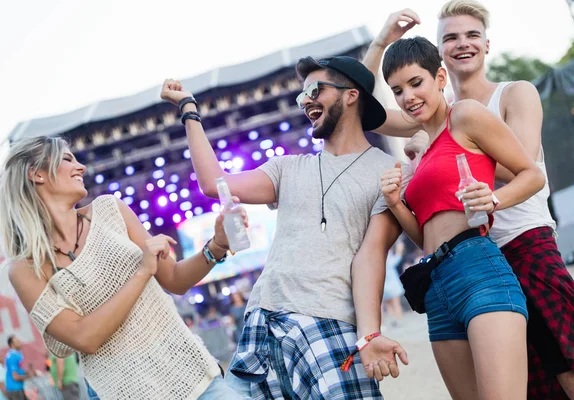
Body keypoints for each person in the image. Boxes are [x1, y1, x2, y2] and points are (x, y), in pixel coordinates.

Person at [364, 3, 574, 398]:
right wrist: (381, 43)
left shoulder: (509, 95)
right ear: (439, 52)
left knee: (570, 364)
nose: (462, 44)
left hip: (524, 241)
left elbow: (519, 162)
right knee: (528, 383)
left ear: (487, 44)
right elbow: (368, 112)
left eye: (471, 35)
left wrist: (447, 145)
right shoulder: (430, 112)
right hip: (465, 261)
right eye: (451, 37)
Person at [160, 55, 407, 399]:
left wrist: (368, 334)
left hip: (327, 322)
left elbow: (372, 255)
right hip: (261, 328)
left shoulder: (389, 172)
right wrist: (189, 110)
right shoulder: (287, 168)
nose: (306, 100)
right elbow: (214, 184)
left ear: (351, 95)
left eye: (315, 90)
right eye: (302, 95)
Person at [0, 136, 249, 399]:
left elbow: (175, 279)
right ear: (37, 174)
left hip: (192, 376)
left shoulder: (111, 210)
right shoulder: (25, 268)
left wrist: (218, 244)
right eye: (67, 159)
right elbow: (84, 337)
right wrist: (142, 272)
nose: (81, 166)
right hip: (120, 392)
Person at [379, 35, 546, 399]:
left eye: (415, 82)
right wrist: (395, 203)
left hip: (479, 272)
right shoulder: (419, 158)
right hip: (435, 285)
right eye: (397, 90)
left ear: (440, 78)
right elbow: (425, 237)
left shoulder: (466, 115)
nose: (407, 97)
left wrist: (494, 199)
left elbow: (532, 174)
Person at [4, 336, 29, 400]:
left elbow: (19, 370)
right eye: (17, 341)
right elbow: (16, 377)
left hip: (19, 388)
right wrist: (29, 376)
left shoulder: (18, 353)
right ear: (12, 344)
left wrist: (27, 372)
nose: (20, 342)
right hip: (14, 390)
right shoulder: (12, 356)